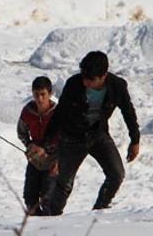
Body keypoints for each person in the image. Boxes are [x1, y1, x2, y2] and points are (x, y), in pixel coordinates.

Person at [34, 51, 140, 214]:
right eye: (84, 77)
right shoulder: (73, 84)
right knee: (64, 185)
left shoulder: (117, 86)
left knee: (116, 174)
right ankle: (51, 218)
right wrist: (44, 144)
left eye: (91, 79)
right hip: (71, 139)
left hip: (97, 135)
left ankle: (98, 212)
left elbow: (128, 112)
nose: (85, 82)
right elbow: (59, 115)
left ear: (103, 76)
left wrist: (135, 140)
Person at [17, 76, 59, 215]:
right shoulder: (28, 111)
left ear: (50, 94)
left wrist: (57, 159)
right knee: (30, 199)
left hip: (53, 159)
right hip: (34, 160)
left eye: (43, 94)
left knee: (48, 200)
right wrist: (29, 145)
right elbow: (21, 132)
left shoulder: (58, 112)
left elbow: (64, 137)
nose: (40, 99)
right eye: (36, 94)